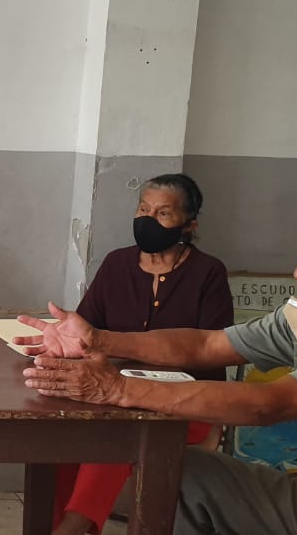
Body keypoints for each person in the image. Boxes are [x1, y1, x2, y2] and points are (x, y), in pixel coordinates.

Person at [16, 199, 297, 535]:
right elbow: (208, 344)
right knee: (181, 471)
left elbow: (269, 404)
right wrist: (98, 340)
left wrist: (117, 388)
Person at [52, 174, 233, 535]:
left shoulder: (208, 273)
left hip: (184, 404)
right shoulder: (117, 264)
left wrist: (215, 424)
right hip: (111, 395)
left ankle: (72, 527)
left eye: (163, 213)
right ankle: (59, 524)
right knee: (65, 434)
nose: (148, 220)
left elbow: (215, 353)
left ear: (189, 225)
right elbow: (86, 330)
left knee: (120, 435)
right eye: (143, 210)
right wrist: (60, 340)